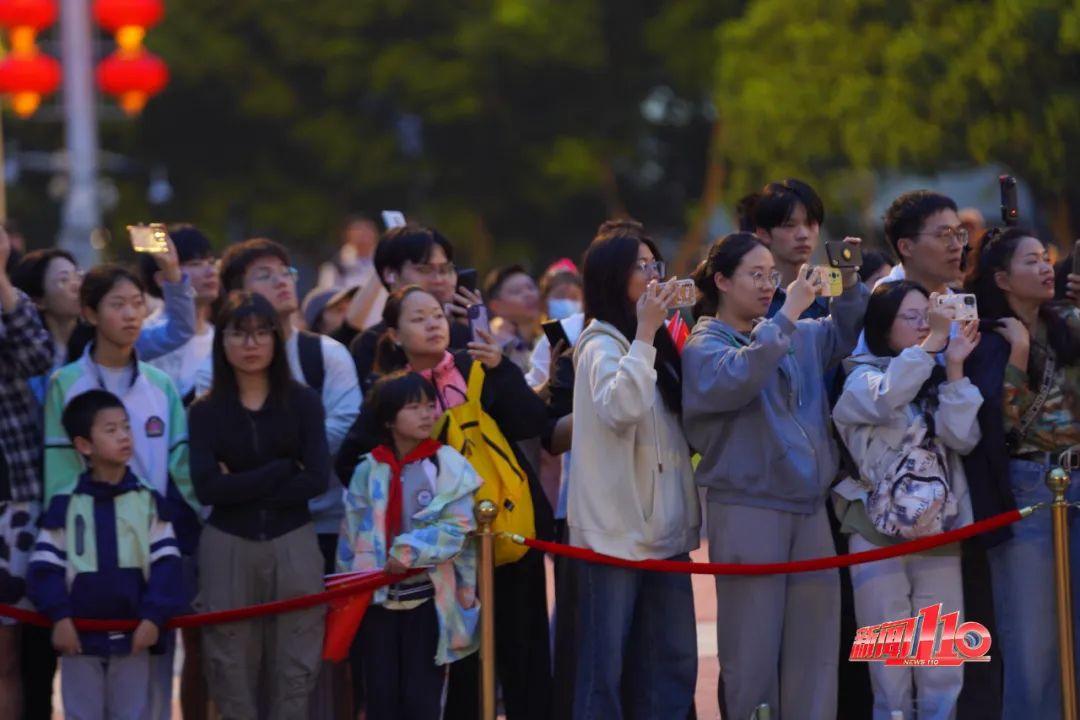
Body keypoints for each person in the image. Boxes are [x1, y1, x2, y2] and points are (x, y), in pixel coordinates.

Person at [336, 285, 553, 720]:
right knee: (458, 666)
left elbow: (535, 424)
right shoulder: (392, 394)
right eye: (418, 318)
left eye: (437, 315)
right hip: (440, 558)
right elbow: (352, 462)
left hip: (506, 537)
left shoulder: (476, 366)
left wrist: (502, 370)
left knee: (524, 657)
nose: (433, 324)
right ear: (394, 335)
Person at [681, 231, 869, 720]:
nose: (769, 285)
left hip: (808, 508)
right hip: (747, 508)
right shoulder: (706, 344)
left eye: (772, 275)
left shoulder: (794, 334)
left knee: (815, 651)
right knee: (752, 654)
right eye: (755, 275)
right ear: (721, 280)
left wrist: (848, 281)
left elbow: (844, 329)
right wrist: (787, 314)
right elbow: (739, 377)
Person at [41, 263, 200, 719]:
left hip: (153, 550)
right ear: (89, 313)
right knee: (85, 692)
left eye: (137, 304)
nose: (131, 315)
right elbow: (58, 472)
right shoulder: (65, 384)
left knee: (150, 690)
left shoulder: (161, 386)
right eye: (117, 305)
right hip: (85, 555)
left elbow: (180, 469)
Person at [832, 281, 983, 720]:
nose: (924, 325)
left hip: (939, 530)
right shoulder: (861, 375)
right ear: (882, 325)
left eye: (929, 316)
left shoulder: (935, 376)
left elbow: (963, 438)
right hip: (874, 532)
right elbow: (886, 399)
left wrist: (954, 367)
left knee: (941, 663)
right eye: (912, 317)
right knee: (890, 662)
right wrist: (934, 341)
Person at [568, 219, 699, 720]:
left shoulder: (658, 341)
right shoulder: (599, 343)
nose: (651, 275)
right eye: (639, 266)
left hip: (665, 530)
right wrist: (646, 330)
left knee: (673, 662)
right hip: (616, 534)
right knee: (607, 670)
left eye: (654, 265)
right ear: (610, 277)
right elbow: (620, 407)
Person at [188, 291, 329, 719]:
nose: (251, 345)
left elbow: (316, 479)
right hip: (227, 542)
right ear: (221, 340)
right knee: (228, 667)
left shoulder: (303, 401)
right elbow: (208, 488)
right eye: (239, 334)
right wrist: (281, 469)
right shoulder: (205, 410)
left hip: (294, 538)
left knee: (297, 665)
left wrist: (244, 482)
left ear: (276, 338)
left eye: (261, 333)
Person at [962, 227, 1080, 720]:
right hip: (1027, 488)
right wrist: (1017, 357)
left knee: (1072, 637)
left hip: (1076, 481)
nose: (1045, 268)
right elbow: (996, 426)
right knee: (1034, 644)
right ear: (1002, 279)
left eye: (1046, 258)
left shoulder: (1069, 324)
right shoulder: (988, 338)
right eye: (1031, 262)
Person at [28, 389, 184, 720]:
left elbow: (167, 566)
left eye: (126, 427)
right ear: (84, 446)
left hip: (134, 639)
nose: (124, 437)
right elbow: (44, 568)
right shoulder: (65, 504)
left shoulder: (149, 502)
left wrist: (153, 618)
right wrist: (60, 617)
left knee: (132, 714)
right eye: (111, 430)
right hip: (79, 641)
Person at [338, 371, 482, 720]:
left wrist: (407, 551)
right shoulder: (368, 469)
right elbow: (350, 537)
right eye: (413, 407)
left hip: (429, 602)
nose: (426, 414)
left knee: (423, 700)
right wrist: (347, 595)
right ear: (388, 418)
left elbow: (459, 526)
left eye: (430, 406)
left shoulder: (446, 464)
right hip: (377, 602)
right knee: (381, 699)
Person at [13, 234, 197, 403]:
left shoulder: (108, 339)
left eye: (77, 275)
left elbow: (179, 330)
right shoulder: (27, 354)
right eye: (63, 280)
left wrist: (172, 272)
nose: (76, 285)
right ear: (38, 300)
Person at [0, 226, 54, 719]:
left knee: (10, 658)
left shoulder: (12, 309)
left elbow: (40, 357)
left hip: (12, 507)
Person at [348, 224, 471, 388]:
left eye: (446, 269)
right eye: (425, 269)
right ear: (389, 274)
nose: (439, 279)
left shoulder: (466, 334)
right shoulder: (369, 344)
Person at [141, 225, 220, 404]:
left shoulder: (224, 337)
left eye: (211, 262)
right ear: (162, 278)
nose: (211, 272)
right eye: (195, 264)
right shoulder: (146, 337)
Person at [746, 178, 830, 319]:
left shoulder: (833, 291)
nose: (803, 235)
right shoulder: (751, 297)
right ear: (764, 234)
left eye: (810, 224)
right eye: (789, 225)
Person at [484, 264, 542, 371]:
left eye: (531, 287)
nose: (528, 294)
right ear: (496, 306)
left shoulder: (545, 337)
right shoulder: (492, 347)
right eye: (516, 291)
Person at [318, 214, 380, 290]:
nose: (364, 234)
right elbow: (327, 296)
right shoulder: (335, 265)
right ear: (348, 234)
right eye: (359, 230)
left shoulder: (384, 262)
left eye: (368, 229)